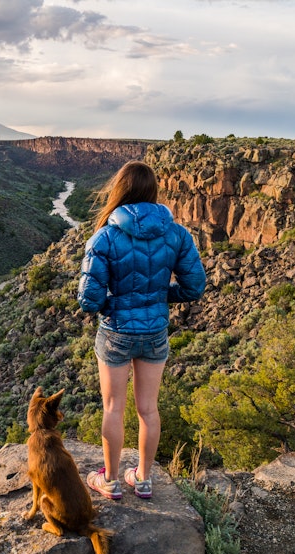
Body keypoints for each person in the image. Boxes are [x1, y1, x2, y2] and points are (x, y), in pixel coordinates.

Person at [77, 160, 206, 499]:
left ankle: (110, 481)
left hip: (116, 331)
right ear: (153, 192)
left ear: (120, 190)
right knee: (148, 408)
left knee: (112, 408)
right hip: (155, 332)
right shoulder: (176, 234)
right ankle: (144, 479)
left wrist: (112, 305)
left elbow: (89, 299)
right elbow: (194, 286)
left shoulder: (105, 236)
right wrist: (162, 297)